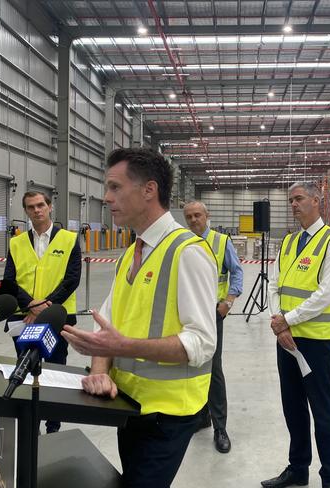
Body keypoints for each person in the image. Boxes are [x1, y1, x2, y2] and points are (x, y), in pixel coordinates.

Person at [61, 148, 218, 488]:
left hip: (168, 414)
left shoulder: (187, 253)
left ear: (149, 190)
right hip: (128, 404)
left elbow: (202, 343)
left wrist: (125, 346)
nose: (106, 197)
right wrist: (100, 372)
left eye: (115, 187)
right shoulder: (131, 254)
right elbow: (109, 324)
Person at [262, 182, 330, 488]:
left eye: (299, 199)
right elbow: (274, 285)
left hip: (315, 342)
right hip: (285, 341)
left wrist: (286, 320)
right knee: (293, 408)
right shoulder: (287, 243)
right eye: (291, 200)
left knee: (323, 412)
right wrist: (279, 323)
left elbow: (326, 294)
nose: (294, 204)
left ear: (316, 200)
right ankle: (298, 468)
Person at [3, 190, 81, 433]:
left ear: (49, 207)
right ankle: (31, 423)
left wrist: (46, 305)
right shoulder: (16, 242)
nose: (36, 210)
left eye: (40, 205)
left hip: (57, 318)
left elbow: (72, 279)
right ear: (25, 211)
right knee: (25, 371)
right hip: (24, 317)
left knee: (56, 370)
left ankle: (53, 424)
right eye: (30, 207)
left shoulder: (69, 239)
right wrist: (32, 305)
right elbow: (9, 281)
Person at [183, 200, 243, 453]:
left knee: (213, 368)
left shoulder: (221, 241)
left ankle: (220, 427)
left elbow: (237, 272)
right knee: (193, 362)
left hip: (212, 313)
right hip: (188, 314)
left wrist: (228, 301)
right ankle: (201, 417)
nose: (194, 220)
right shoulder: (182, 241)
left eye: (198, 215)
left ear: (207, 216)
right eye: (189, 217)